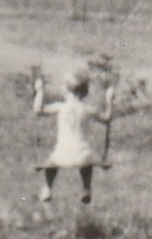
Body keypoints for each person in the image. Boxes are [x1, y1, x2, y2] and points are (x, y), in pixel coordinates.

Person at [32, 70, 114, 204]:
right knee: (87, 163)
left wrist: (39, 91)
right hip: (83, 155)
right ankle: (86, 189)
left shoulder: (60, 107)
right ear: (85, 91)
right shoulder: (87, 109)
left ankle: (47, 188)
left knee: (51, 164)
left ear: (65, 90)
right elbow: (107, 118)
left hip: (62, 155)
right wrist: (109, 99)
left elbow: (38, 110)